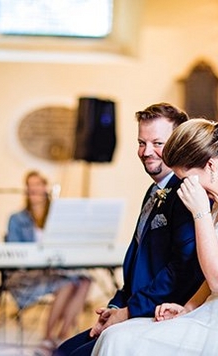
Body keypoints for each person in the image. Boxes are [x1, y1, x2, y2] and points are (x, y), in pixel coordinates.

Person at [92, 118, 218, 355]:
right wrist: (187, 308)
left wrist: (200, 212)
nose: (189, 190)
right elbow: (209, 278)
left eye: (188, 181)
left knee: (123, 343)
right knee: (116, 336)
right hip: (214, 310)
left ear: (211, 166)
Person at [55, 103, 205, 356]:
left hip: (162, 313)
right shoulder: (154, 190)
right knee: (65, 349)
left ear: (179, 143)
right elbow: (138, 263)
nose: (147, 152)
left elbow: (182, 271)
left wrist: (130, 311)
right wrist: (115, 306)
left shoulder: (186, 193)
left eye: (158, 143)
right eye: (141, 142)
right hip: (135, 305)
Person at [5, 171, 91, 356]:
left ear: (45, 187)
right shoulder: (17, 219)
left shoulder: (58, 216)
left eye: (38, 184)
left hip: (53, 270)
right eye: (30, 185)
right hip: (28, 274)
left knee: (85, 280)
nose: (34, 189)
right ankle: (47, 338)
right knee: (66, 284)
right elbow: (15, 253)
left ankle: (62, 337)